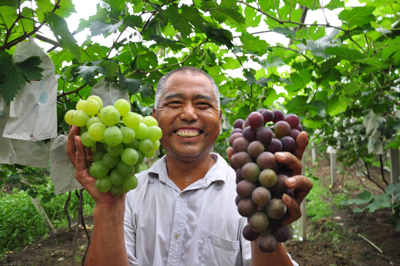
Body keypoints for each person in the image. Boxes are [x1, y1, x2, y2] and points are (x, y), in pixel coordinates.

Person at [66, 66, 313, 266]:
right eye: (174, 103)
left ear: (219, 118)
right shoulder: (126, 193)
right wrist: (108, 206)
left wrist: (268, 219)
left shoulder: (248, 195)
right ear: (154, 117)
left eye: (203, 105)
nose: (188, 114)